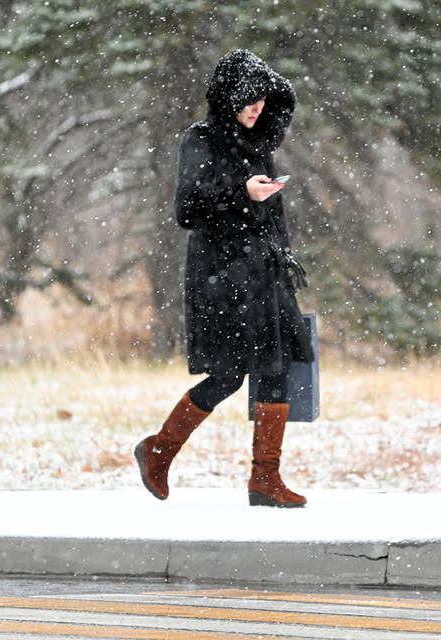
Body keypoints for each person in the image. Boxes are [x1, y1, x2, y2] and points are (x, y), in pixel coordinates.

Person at [134, 49, 314, 508]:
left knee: (275, 369)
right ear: (230, 96)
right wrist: (242, 194)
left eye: (263, 101)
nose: (257, 108)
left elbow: (274, 215)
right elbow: (187, 209)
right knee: (229, 375)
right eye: (249, 99)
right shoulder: (200, 139)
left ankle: (265, 480)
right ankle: (158, 450)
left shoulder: (261, 148)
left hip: (266, 272)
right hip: (224, 275)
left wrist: (285, 255)